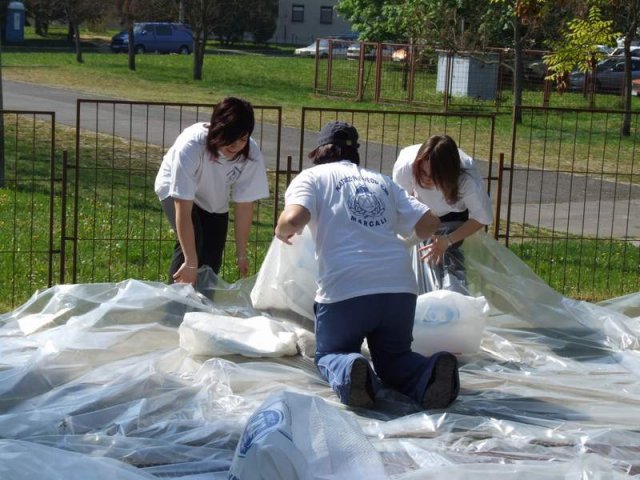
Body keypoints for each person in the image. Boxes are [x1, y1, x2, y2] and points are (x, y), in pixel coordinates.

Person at [275, 121, 460, 410]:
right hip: (399, 288)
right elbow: (429, 223)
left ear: (321, 152)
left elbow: (294, 219)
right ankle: (429, 371)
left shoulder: (311, 178)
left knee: (331, 354)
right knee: (394, 358)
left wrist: (282, 229)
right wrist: (408, 239)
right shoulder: (382, 181)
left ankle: (350, 369)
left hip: (346, 289)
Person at [154, 97, 269, 285]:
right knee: (192, 248)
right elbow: (182, 207)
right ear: (216, 129)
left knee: (212, 255)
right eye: (229, 139)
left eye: (242, 139)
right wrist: (190, 263)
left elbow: (244, 205)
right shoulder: (192, 145)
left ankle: (202, 310)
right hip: (173, 188)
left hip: (214, 198)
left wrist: (242, 254)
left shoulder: (251, 154)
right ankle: (174, 309)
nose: (235, 146)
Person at [392, 135, 493, 294]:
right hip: (421, 211)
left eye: (433, 176)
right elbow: (400, 209)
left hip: (454, 215)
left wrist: (447, 240)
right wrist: (410, 240)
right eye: (422, 172)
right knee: (420, 262)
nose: (426, 179)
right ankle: (421, 299)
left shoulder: (466, 179)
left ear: (449, 175)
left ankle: (455, 298)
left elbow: (482, 218)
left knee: (449, 261)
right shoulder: (406, 168)